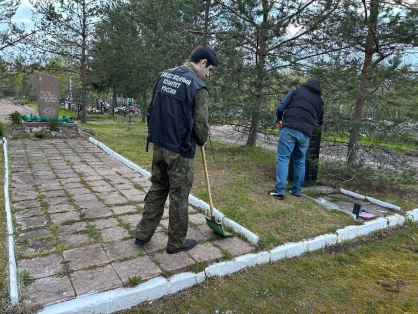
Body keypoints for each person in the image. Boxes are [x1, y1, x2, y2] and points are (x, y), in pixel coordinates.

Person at [135, 45, 218, 254]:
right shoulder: (197, 86)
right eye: (210, 70)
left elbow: (151, 110)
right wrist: (201, 139)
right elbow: (200, 126)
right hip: (180, 150)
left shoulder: (163, 76)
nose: (208, 75)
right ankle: (176, 243)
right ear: (203, 63)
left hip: (159, 145)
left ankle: (142, 234)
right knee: (179, 196)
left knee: (157, 188)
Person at [268, 78, 324, 200]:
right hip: (306, 133)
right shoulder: (320, 101)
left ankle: (280, 190)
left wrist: (279, 118)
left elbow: (281, 107)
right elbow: (316, 119)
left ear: (307, 84)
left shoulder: (296, 91)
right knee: (300, 161)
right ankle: (296, 190)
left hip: (291, 128)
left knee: (283, 158)